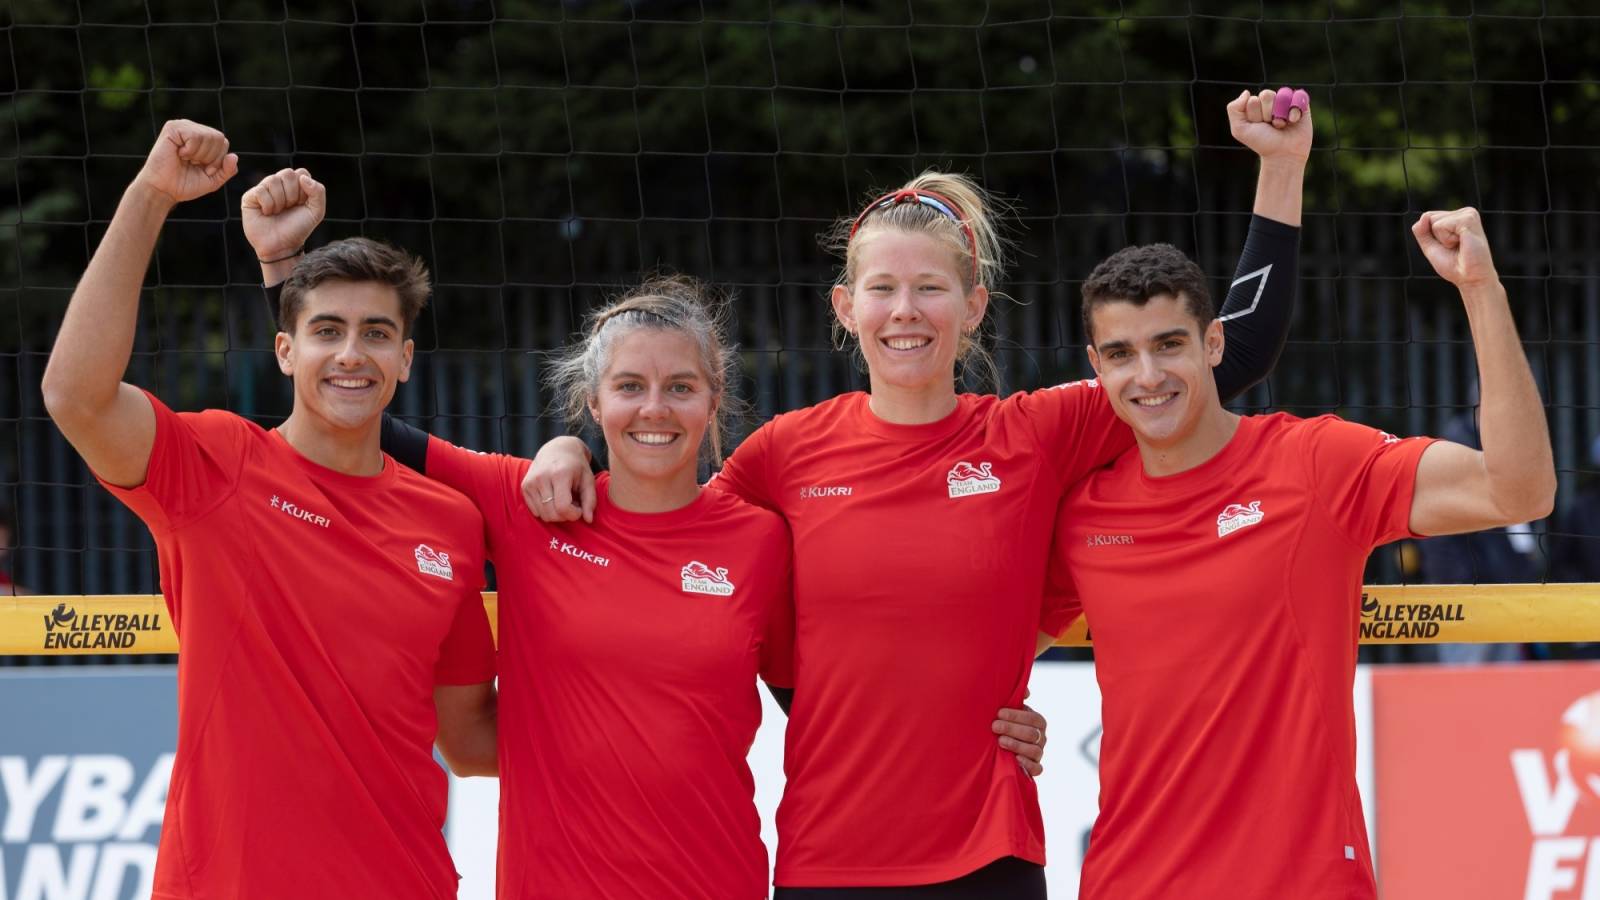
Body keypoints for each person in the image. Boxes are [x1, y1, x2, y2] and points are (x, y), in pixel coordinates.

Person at [523, 88, 1313, 896]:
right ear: (846, 307)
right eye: (883, 289)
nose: (907, 312)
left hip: (989, 855)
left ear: (973, 308)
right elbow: (669, 527)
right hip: (830, 859)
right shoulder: (784, 455)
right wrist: (572, 447)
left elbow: (1233, 352)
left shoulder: (1032, 436)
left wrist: (1280, 170)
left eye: (931, 288)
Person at [249, 176, 1052, 896]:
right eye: (628, 387)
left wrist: (979, 725)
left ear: (714, 404)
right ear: (591, 404)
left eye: (680, 387)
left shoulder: (760, 539)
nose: (655, 409)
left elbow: (840, 682)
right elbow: (362, 420)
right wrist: (285, 276)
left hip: (719, 878)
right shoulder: (531, 503)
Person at [40, 121, 497, 899]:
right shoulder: (217, 464)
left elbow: (472, 741)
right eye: (327, 331)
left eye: (376, 334)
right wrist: (151, 195)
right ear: (286, 352)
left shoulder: (446, 521)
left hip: (404, 882)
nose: (351, 354)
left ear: (406, 360)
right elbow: (75, 397)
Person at [1047, 209, 1555, 899]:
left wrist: (1480, 288)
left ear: (1215, 342)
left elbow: (1520, 490)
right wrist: (1005, 720)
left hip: (1301, 879)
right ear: (1095, 367)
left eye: (1169, 345)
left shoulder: (1315, 463)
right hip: (1131, 881)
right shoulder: (1083, 516)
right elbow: (978, 656)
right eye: (1120, 354)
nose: (1148, 375)